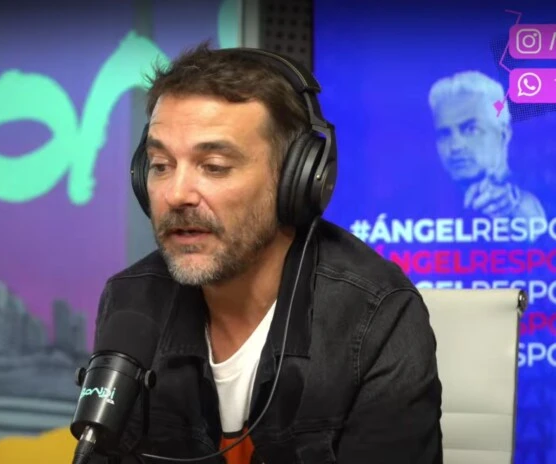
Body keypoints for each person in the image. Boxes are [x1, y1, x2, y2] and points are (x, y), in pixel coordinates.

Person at [89, 43, 442, 464]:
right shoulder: (131, 301)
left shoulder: (376, 316)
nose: (176, 194)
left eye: (214, 166)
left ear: (297, 179)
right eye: (161, 165)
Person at [428, 70, 546, 222]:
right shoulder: (421, 206)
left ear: (503, 135)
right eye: (444, 134)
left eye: (471, 129)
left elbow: (531, 212)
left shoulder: (536, 194)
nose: (455, 146)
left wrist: (517, 207)